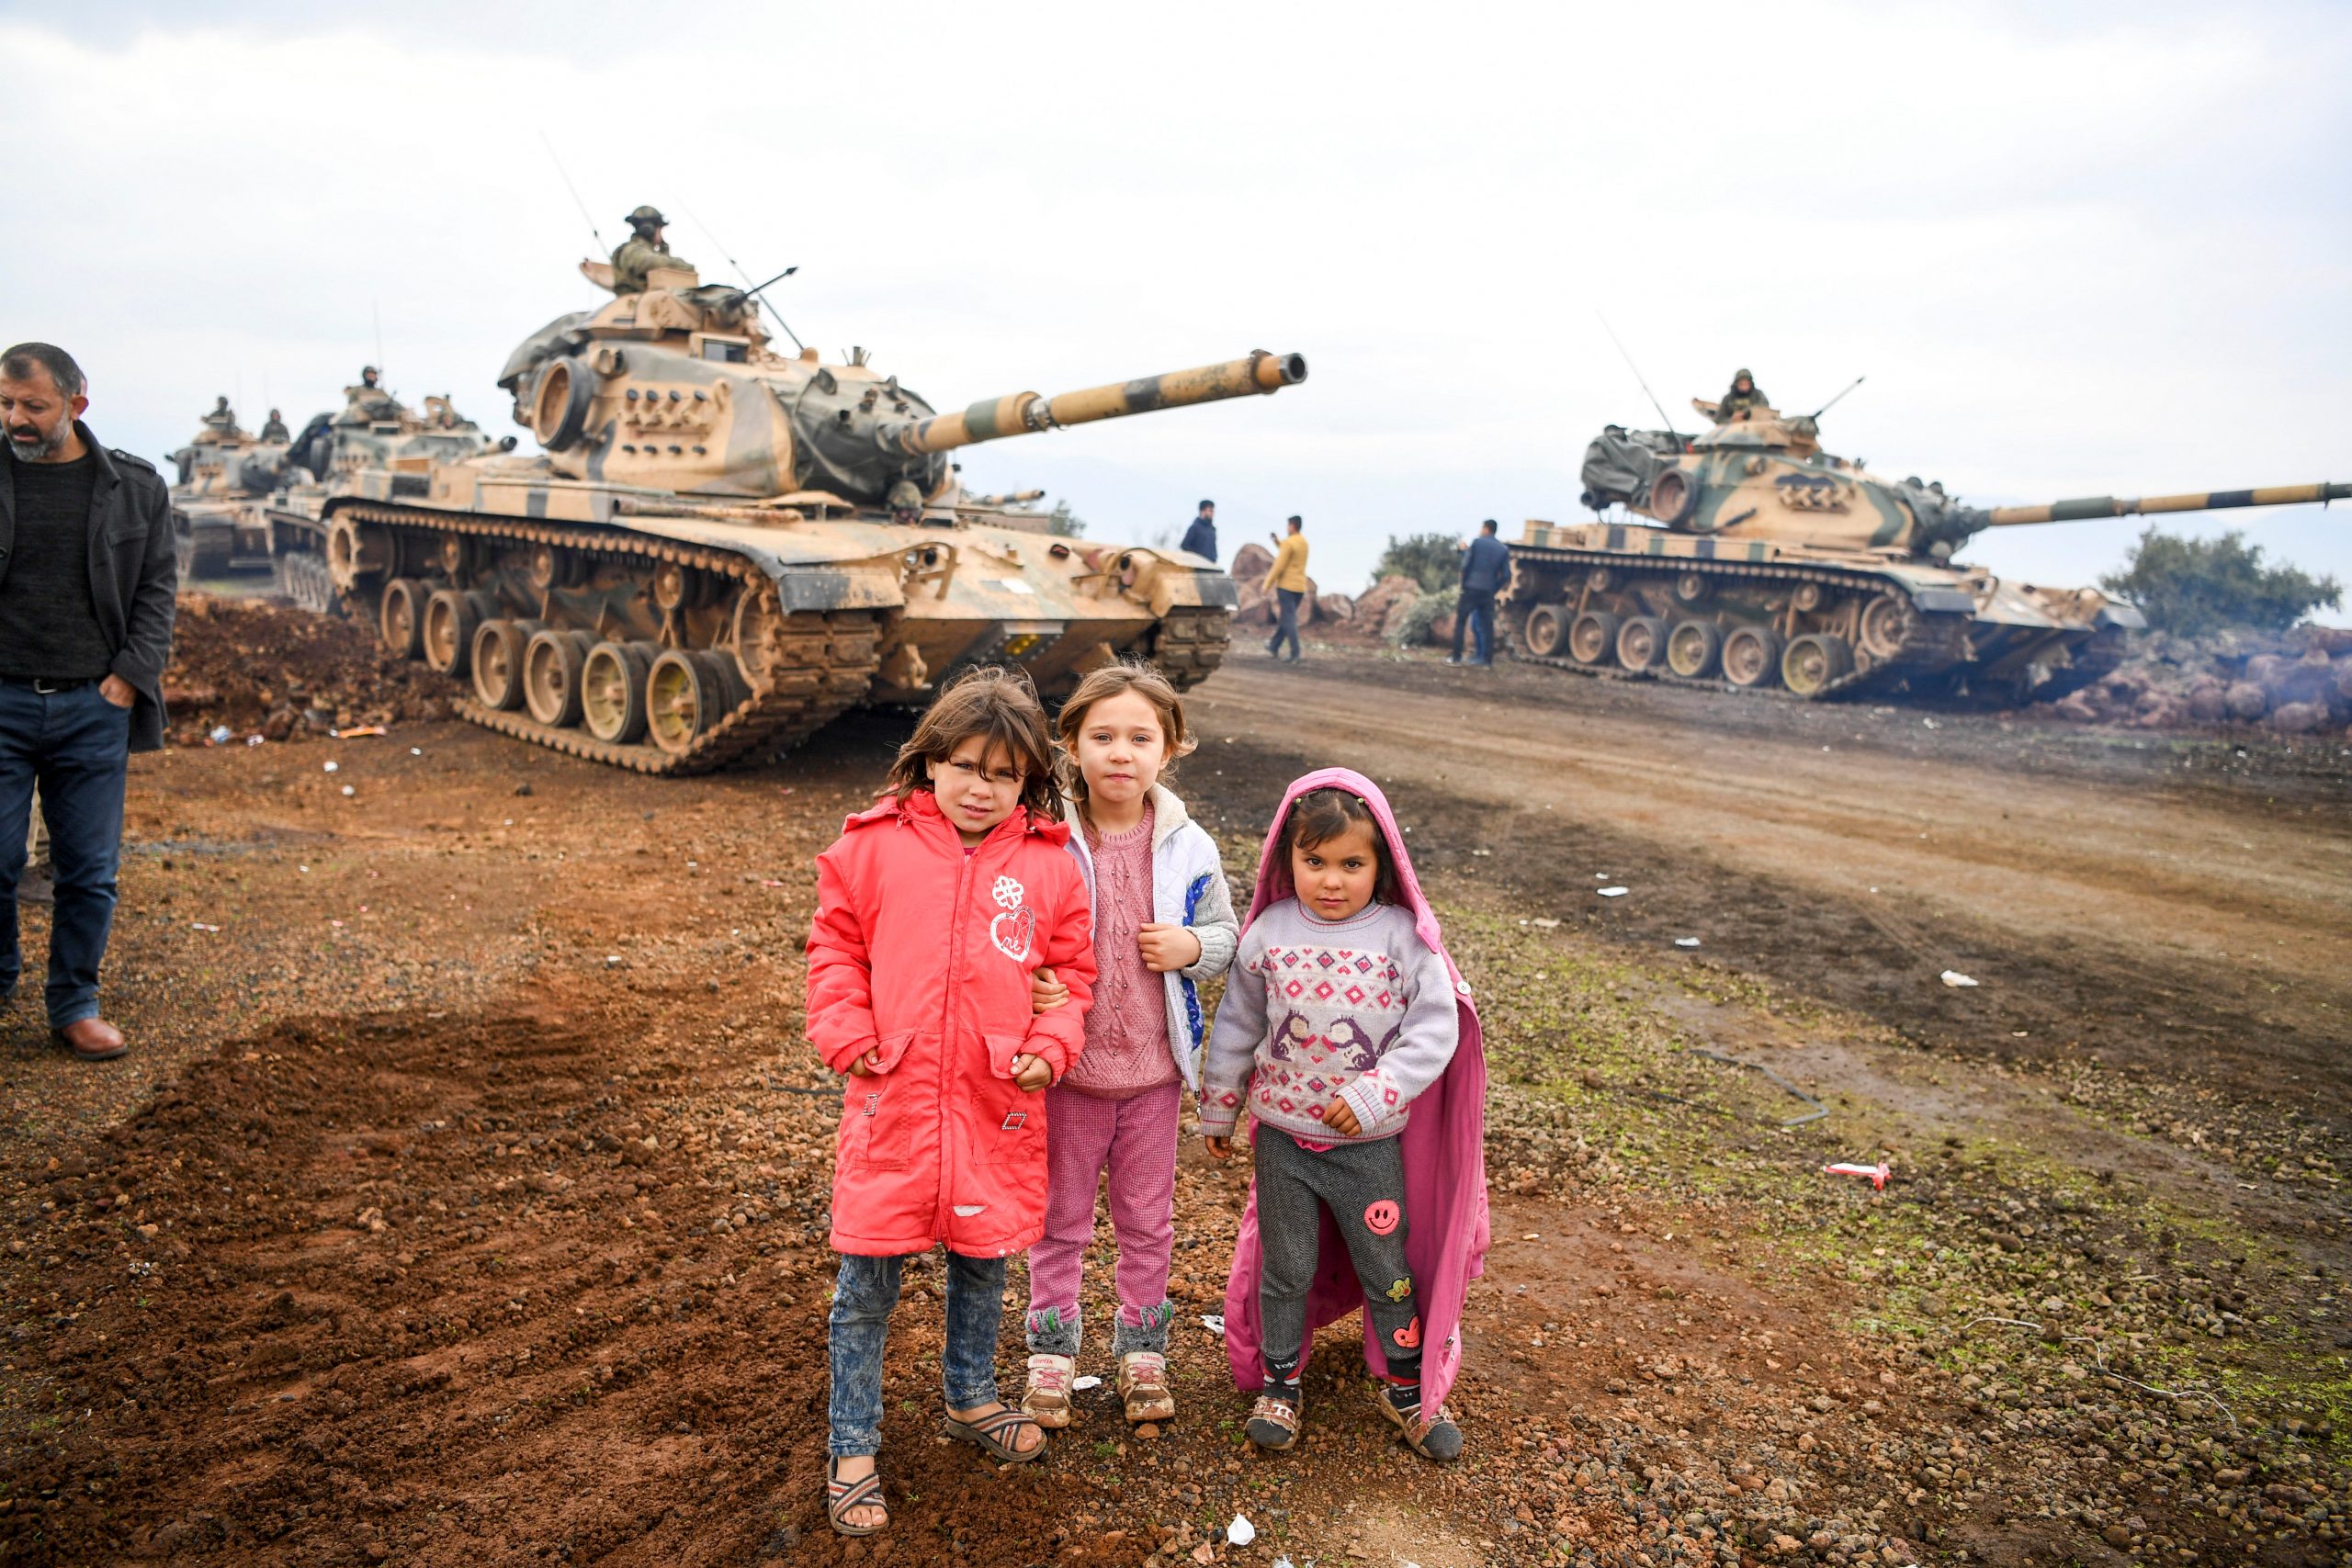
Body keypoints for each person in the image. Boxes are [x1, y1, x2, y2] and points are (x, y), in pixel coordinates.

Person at [804, 666, 1097, 1537]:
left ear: (1028, 782)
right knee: (867, 1278)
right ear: (928, 760)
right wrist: (848, 1032)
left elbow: (1072, 976)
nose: (982, 786)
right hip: (890, 1095)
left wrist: (1050, 1045)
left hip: (995, 1098)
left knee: (985, 1259)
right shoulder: (869, 846)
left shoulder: (1050, 868)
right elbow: (836, 947)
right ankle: (852, 1440)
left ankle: (970, 1396)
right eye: (965, 764)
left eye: (1003, 773)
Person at [1200, 772, 1488, 1463]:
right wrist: (1221, 1104)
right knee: (1286, 1264)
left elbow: (1434, 1027)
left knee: (1385, 1264)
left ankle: (1402, 1382)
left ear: (1381, 863)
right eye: (1315, 861)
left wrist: (1375, 1094)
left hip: (1368, 1147)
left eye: (1352, 864)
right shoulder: (1267, 932)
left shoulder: (1401, 938)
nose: (1332, 880)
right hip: (1284, 1143)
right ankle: (1280, 1380)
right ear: (1286, 859)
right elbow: (1238, 1022)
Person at [1019, 663, 1238, 1431]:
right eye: (1102, 736)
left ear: (1170, 748)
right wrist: (1034, 983)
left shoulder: (1189, 845)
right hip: (1070, 1075)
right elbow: (1010, 935)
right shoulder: (1046, 839)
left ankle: (1142, 1351)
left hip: (1153, 1078)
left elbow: (1225, 935)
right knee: (1060, 1218)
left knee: (1148, 1218)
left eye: (1140, 737)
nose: (1121, 752)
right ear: (1071, 744)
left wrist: (1190, 946)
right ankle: (1051, 1352)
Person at [0, 342, 178, 1063]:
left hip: (91, 706)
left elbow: (158, 588)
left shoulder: (134, 487)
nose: (15, 418)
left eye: (32, 406)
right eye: (6, 404)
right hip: (2, 700)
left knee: (89, 871)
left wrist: (131, 676)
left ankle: (74, 1003)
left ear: (77, 403)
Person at [1449, 519, 1509, 667]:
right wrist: (1494, 588)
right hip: (1488, 591)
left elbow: (1466, 565)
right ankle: (1487, 661)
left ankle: (1456, 658)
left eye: (1482, 528)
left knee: (1461, 621)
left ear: (1486, 529)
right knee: (1488, 626)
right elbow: (1507, 575)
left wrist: (1464, 585)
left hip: (1471, 588)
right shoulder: (1503, 549)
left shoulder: (1477, 543)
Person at [610, 205, 696, 296]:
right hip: (636, 304)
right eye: (659, 229)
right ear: (649, 230)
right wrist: (682, 264)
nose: (660, 233)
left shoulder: (643, 250)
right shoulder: (632, 250)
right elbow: (652, 263)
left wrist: (664, 248)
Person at [1262, 514, 1308, 662]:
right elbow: (1287, 550)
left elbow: (1279, 565)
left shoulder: (1289, 543)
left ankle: (1295, 653)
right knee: (1286, 618)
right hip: (1300, 587)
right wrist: (1276, 541)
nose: (1287, 528)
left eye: (1288, 525)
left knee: (1289, 621)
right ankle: (1274, 646)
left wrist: (1267, 584)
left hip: (1286, 587)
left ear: (1292, 526)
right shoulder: (1303, 543)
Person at [1179, 499, 1217, 563]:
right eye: (1210, 511)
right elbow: (1185, 545)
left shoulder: (1212, 530)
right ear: (1202, 511)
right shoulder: (1194, 528)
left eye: (1213, 511)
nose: (1212, 513)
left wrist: (1214, 557)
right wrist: (1198, 557)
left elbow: (1213, 549)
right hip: (1197, 566)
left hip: (1210, 566)